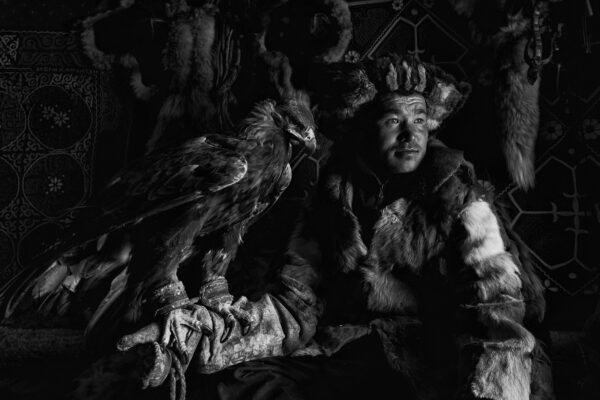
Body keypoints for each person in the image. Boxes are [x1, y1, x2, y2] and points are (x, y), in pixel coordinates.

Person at [87, 54, 554, 400]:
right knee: (239, 387)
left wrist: (490, 387)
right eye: (394, 120)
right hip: (354, 349)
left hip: (439, 353)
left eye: (420, 120)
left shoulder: (462, 200)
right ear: (369, 128)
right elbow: (295, 307)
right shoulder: (335, 197)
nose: (411, 136)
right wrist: (206, 336)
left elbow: (499, 313)